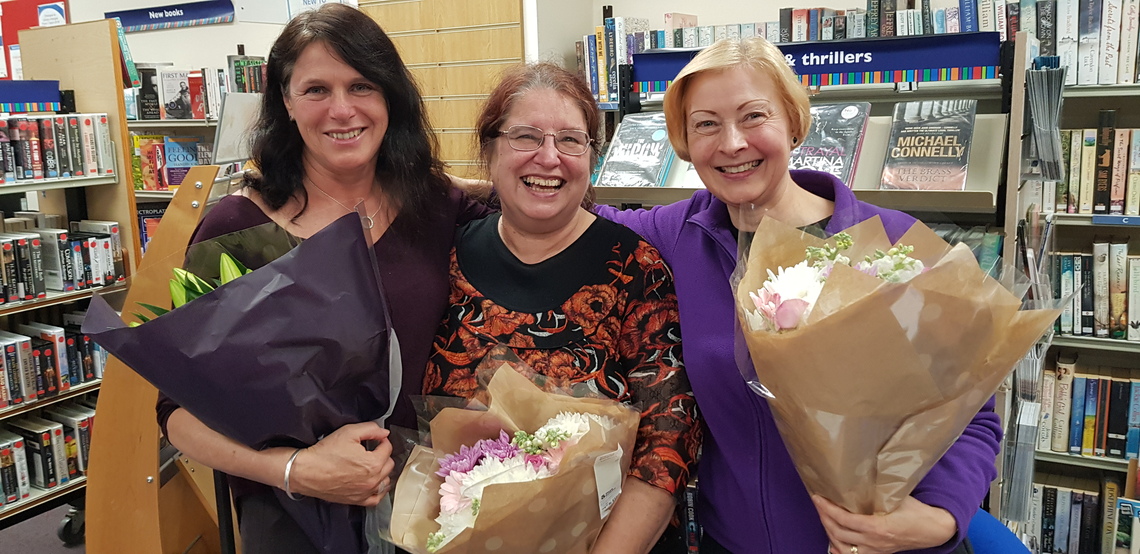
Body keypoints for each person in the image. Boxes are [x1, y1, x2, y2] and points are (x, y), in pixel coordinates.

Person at [591, 38, 1002, 554]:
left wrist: (941, 515)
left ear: (792, 120)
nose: (732, 143)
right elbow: (569, 215)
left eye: (753, 116)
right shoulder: (679, 233)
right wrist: (465, 194)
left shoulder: (894, 243)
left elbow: (973, 411)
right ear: (684, 140)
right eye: (706, 124)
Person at [155, 5, 488, 553]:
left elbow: (538, 216)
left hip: (434, 502)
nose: (341, 109)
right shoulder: (239, 230)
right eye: (315, 89)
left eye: (362, 85)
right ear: (285, 101)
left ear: (390, 97)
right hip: (295, 517)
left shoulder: (437, 208)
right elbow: (177, 411)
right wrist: (294, 470)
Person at [422, 63, 702, 554]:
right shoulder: (443, 260)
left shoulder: (636, 269)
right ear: (488, 151)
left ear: (591, 157)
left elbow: (667, 446)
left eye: (571, 140)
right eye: (526, 136)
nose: (549, 157)